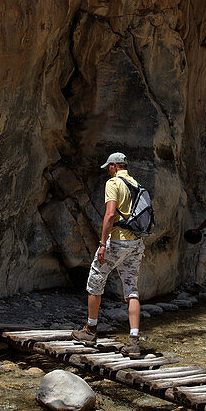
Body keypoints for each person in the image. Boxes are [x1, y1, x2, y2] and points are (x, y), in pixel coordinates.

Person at [73, 151, 146, 357]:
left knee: (96, 280)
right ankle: (133, 340)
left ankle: (90, 330)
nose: (107, 171)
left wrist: (103, 243)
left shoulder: (114, 184)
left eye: (109, 167)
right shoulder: (136, 184)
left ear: (114, 166)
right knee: (131, 288)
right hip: (136, 242)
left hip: (117, 241)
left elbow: (110, 214)